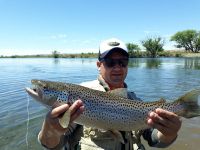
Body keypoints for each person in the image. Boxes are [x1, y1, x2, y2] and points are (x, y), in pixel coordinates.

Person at [38, 38, 182, 150]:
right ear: (98, 65)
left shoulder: (135, 101)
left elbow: (153, 139)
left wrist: (169, 133)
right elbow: (53, 145)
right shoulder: (79, 97)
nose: (117, 67)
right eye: (110, 62)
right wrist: (50, 129)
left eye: (122, 62)